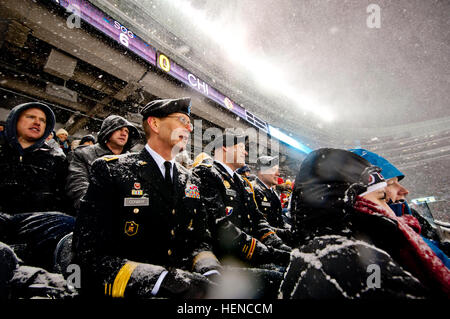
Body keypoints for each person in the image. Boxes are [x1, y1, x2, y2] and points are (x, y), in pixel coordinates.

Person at [72, 97, 222, 299]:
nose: (190, 128)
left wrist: (210, 269)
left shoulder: (190, 179)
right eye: (182, 120)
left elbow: (200, 239)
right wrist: (161, 279)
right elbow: (88, 254)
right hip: (139, 288)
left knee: (272, 281)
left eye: (190, 123)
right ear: (155, 124)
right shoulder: (112, 169)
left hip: (189, 280)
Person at [279, 148, 449, 298]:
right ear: (349, 201)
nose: (390, 206)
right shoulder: (354, 265)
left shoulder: (325, 255)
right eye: (383, 197)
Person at [192, 131, 291, 268]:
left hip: (247, 257)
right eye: (241, 148)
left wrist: (279, 245)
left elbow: (257, 220)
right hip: (226, 261)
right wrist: (272, 254)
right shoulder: (206, 174)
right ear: (224, 147)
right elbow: (221, 227)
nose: (245, 153)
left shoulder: (243, 183)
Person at [0, 102, 74, 271]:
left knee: (68, 223)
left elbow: (63, 197)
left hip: (36, 221)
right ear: (14, 120)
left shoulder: (56, 158)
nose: (37, 122)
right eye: (31, 117)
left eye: (42, 120)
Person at [349, 148, 450, 267]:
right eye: (391, 184)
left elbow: (433, 245)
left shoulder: (408, 215)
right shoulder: (380, 240)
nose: (405, 191)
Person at [65, 115, 141, 210]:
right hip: (94, 215)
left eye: (127, 131)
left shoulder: (134, 162)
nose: (124, 134)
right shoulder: (83, 154)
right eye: (119, 129)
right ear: (108, 131)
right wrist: (95, 208)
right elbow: (78, 186)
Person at [252, 156, 291, 241]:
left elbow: (280, 221)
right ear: (262, 172)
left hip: (275, 238)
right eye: (273, 170)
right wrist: (287, 232)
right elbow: (257, 226)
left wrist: (291, 229)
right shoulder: (253, 191)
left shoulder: (273, 192)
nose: (278, 174)